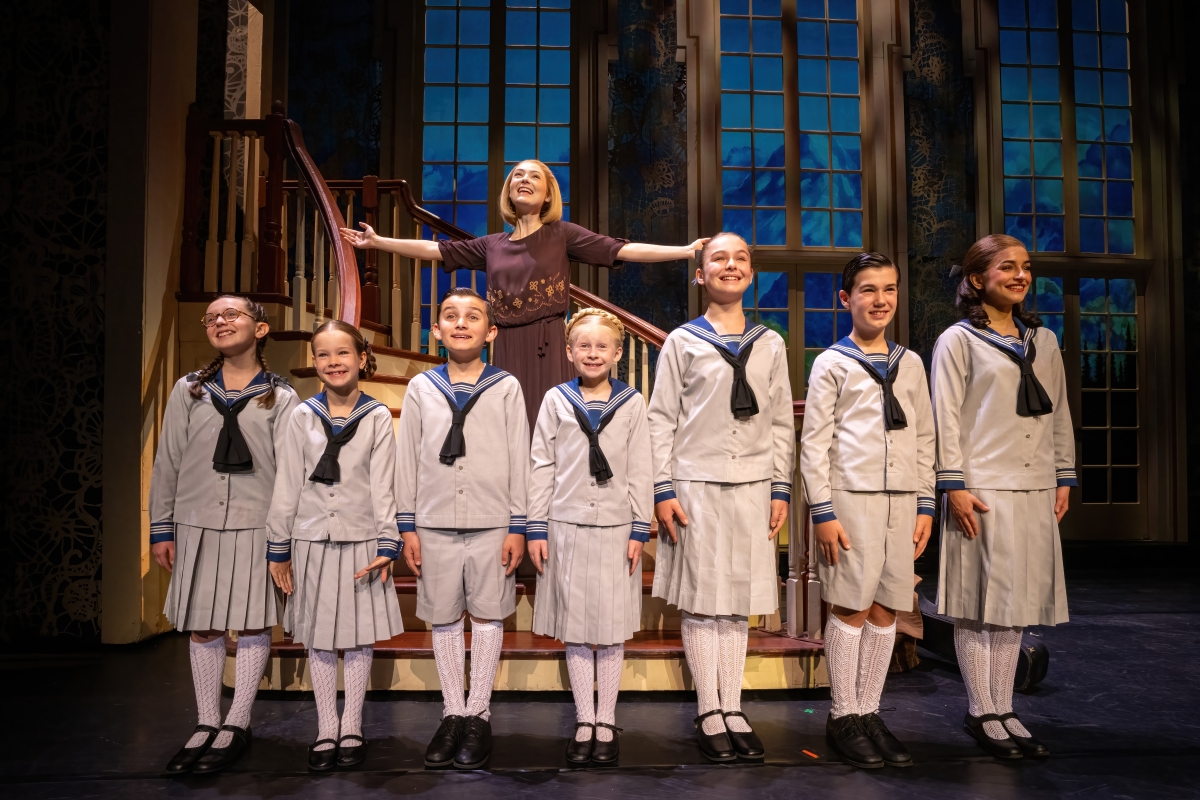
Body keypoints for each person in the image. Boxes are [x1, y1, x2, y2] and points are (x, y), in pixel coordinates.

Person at [340, 158, 708, 429]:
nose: (524, 179)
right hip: (507, 346)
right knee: (511, 427)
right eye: (517, 175)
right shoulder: (491, 245)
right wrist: (378, 242)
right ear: (509, 191)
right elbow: (436, 250)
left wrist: (684, 251)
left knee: (552, 426)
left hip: (548, 345)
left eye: (534, 176)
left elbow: (621, 249)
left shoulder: (561, 234)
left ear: (547, 194)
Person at [648, 232, 795, 763]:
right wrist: (662, 488)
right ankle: (708, 708)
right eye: (718, 259)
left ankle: (732, 705)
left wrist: (780, 487)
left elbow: (780, 421)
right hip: (696, 483)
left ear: (751, 274)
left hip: (753, 484)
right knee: (703, 599)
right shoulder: (682, 341)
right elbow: (661, 419)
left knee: (736, 602)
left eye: (740, 259)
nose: (730, 265)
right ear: (700, 274)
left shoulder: (770, 343)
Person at [931, 234, 1075, 760]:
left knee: (1014, 605)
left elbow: (1058, 412)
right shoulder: (958, 340)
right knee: (979, 603)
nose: (1020, 276)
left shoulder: (1045, 340)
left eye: (1026, 267)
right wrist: (954, 485)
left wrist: (1063, 474)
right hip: (982, 486)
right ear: (976, 279)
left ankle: (1005, 706)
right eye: (1007, 267)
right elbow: (945, 417)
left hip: (1034, 484)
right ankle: (981, 709)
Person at [149, 296, 299, 774]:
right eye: (212, 317)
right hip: (196, 521)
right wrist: (161, 526)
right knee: (204, 623)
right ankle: (206, 720)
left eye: (232, 314)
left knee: (253, 622)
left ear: (260, 328)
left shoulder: (280, 396)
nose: (220, 321)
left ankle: (237, 721)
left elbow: (290, 474)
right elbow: (168, 460)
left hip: (256, 523)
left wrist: (283, 538)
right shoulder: (189, 390)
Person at [799, 253, 936, 769]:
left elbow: (924, 437)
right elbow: (814, 444)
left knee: (887, 608)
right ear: (846, 298)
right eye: (868, 290)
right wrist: (823, 511)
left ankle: (869, 710)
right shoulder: (832, 363)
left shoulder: (911, 363)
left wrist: (926, 504)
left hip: (902, 499)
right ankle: (843, 715)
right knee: (852, 605)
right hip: (851, 500)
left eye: (889, 289)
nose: (881, 300)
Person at [394, 287, 530, 770]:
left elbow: (520, 457)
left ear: (490, 332)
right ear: (437, 330)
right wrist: (407, 525)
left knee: (488, 616)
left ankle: (479, 714)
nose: (461, 323)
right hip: (433, 522)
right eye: (450, 316)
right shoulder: (421, 387)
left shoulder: (506, 386)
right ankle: (452, 711)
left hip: (493, 522)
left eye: (473, 317)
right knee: (445, 617)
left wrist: (518, 524)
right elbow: (407, 457)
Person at [266, 320, 404, 772]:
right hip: (311, 540)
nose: (333, 362)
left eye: (342, 353)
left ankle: (352, 725)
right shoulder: (302, 415)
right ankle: (327, 725)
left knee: (358, 636)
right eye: (323, 354)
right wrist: (279, 545)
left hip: (361, 538)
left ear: (362, 358)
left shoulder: (377, 416)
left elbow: (383, 486)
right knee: (320, 636)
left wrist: (388, 541)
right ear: (314, 362)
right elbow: (288, 483)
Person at [526, 308, 653, 767]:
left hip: (617, 528)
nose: (593, 353)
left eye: (602, 346)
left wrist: (640, 527)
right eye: (584, 345)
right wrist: (536, 526)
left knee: (612, 628)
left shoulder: (632, 403)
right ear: (569, 352)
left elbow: (641, 467)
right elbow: (541, 465)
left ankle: (607, 718)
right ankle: (585, 719)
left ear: (618, 353)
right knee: (577, 628)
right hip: (566, 525)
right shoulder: (555, 400)